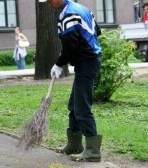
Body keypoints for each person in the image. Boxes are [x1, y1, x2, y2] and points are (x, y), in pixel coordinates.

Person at [39, 0, 102, 162]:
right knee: (74, 104)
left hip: (86, 62)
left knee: (82, 107)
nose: (48, 4)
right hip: (88, 60)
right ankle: (74, 144)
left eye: (49, 0)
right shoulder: (80, 8)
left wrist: (59, 63)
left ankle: (93, 151)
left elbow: (71, 47)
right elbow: (97, 30)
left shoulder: (69, 14)